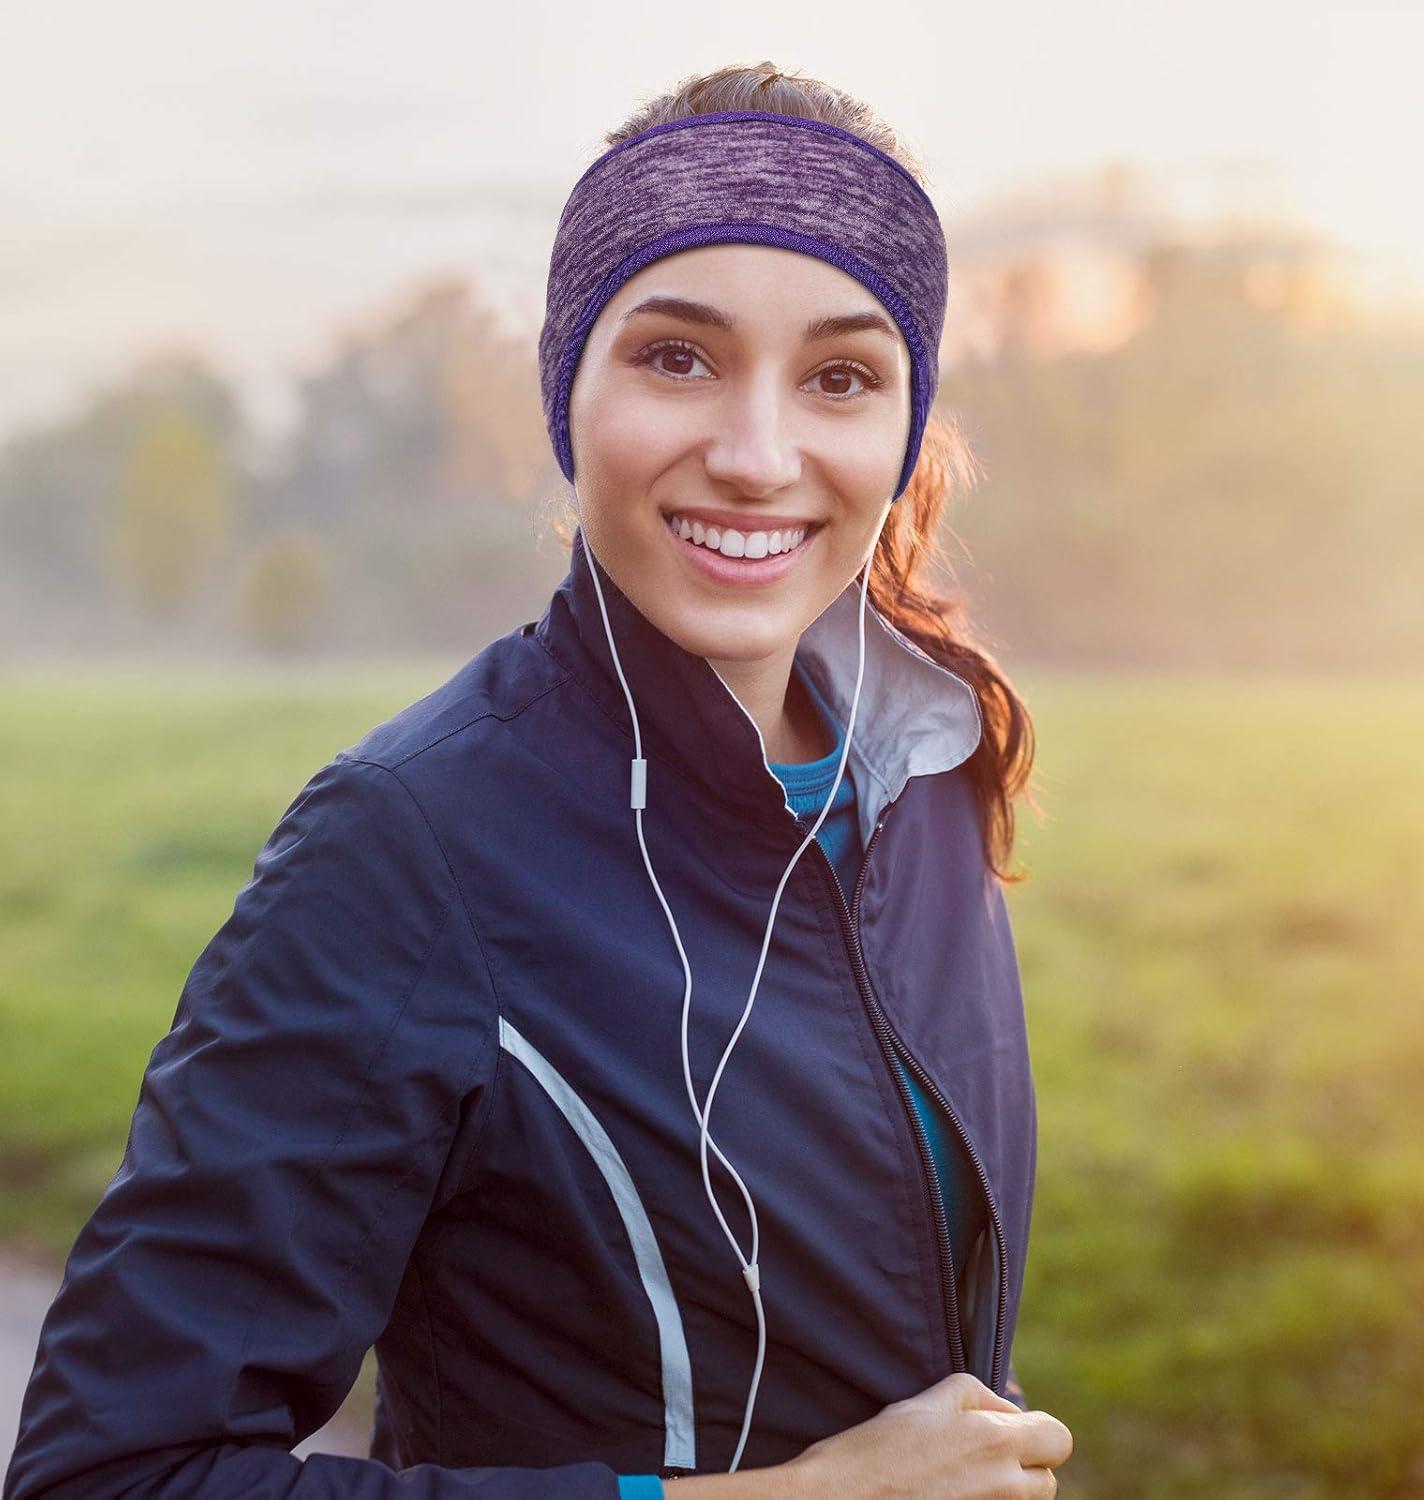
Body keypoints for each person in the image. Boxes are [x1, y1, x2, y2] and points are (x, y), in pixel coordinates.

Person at [5, 61, 1073, 1500]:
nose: (759, 456)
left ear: (903, 425)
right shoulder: (403, 850)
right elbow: (116, 1476)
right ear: (570, 391)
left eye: (840, 377)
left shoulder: (925, 777)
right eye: (678, 356)